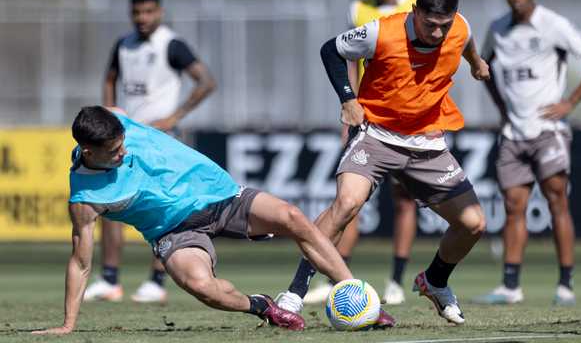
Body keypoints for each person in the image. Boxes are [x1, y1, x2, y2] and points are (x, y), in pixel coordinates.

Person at [276, 0, 489, 325]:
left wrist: (476, 63)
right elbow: (331, 49)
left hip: (427, 143)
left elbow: (465, 40)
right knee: (346, 203)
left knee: (473, 223)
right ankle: (295, 292)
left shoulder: (459, 27)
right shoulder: (381, 32)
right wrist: (348, 98)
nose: (437, 34)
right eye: (430, 24)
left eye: (444, 25)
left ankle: (434, 281)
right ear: (415, 10)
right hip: (376, 134)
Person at [33, 106, 357, 335]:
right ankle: (260, 305)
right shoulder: (86, 198)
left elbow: (111, 113)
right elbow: (80, 263)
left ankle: (356, 293)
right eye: (115, 151)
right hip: (174, 232)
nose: (124, 152)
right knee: (201, 287)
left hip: (222, 196)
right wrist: (68, 324)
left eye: (123, 142)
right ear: (88, 152)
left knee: (293, 217)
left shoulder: (113, 117)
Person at [475, 0, 581, 306]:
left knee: (557, 200)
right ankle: (510, 286)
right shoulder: (497, 28)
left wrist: (570, 102)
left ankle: (566, 285)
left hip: (548, 131)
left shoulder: (553, 25)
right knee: (514, 206)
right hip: (514, 133)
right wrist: (501, 108)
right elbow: (482, 66)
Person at [84, 0, 216, 304]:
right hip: (125, 138)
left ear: (160, 12)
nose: (142, 18)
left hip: (160, 140)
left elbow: (206, 81)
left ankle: (157, 281)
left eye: (148, 12)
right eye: (136, 12)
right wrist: (108, 115)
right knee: (109, 202)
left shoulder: (172, 44)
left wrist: (175, 116)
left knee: (163, 208)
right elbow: (110, 78)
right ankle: (110, 279)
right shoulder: (124, 44)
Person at [304, 0, 418, 306]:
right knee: (351, 200)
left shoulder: (419, 3)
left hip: (409, 116)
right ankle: (338, 275)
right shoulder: (359, 8)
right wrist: (348, 103)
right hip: (369, 115)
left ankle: (397, 281)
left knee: (404, 199)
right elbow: (348, 57)